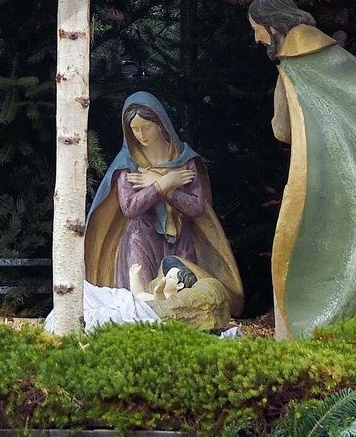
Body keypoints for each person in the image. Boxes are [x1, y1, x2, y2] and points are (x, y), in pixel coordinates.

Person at [251, 0, 356, 338]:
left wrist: (281, 76)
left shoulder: (294, 62)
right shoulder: (336, 58)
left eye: (256, 29)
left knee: (313, 251)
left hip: (329, 183)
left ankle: (313, 332)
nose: (256, 38)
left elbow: (281, 129)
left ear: (271, 23)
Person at [83, 90, 244, 317]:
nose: (140, 134)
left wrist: (165, 187)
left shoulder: (184, 159)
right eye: (134, 129)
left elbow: (197, 207)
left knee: (183, 299)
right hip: (140, 239)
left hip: (180, 238)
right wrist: (164, 183)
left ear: (160, 124)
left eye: (146, 127)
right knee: (143, 302)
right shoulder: (127, 163)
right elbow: (130, 208)